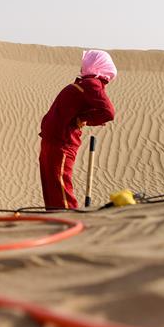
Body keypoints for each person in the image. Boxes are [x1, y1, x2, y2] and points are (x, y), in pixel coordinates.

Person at [38, 49, 117, 209]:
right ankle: (55, 221)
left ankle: (69, 222)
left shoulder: (92, 84)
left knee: (60, 185)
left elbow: (108, 112)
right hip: (53, 140)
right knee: (51, 184)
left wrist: (85, 119)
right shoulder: (86, 83)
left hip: (62, 142)